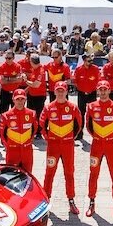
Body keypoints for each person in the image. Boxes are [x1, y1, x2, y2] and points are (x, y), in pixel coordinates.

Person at [85, 80, 113, 218]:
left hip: (111, 146)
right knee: (93, 173)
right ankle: (91, 201)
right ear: (97, 91)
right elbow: (88, 125)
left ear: (109, 91)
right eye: (100, 89)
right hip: (96, 145)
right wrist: (96, 137)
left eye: (105, 89)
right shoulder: (91, 106)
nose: (102, 92)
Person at [40, 82, 83, 213]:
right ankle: (46, 200)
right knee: (49, 173)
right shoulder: (48, 108)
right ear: (54, 92)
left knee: (69, 173)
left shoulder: (73, 108)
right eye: (58, 90)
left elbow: (78, 125)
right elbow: (42, 126)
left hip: (67, 146)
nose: (60, 93)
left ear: (66, 92)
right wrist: (50, 139)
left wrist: (69, 138)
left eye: (62, 91)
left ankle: (71, 200)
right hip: (53, 146)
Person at [0, 89, 36, 173]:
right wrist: (9, 146)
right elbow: (2, 135)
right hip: (12, 151)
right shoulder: (6, 116)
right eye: (17, 99)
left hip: (27, 151)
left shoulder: (31, 114)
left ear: (25, 99)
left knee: (28, 175)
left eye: (22, 99)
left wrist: (28, 142)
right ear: (13, 100)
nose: (20, 101)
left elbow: (34, 129)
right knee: (10, 175)